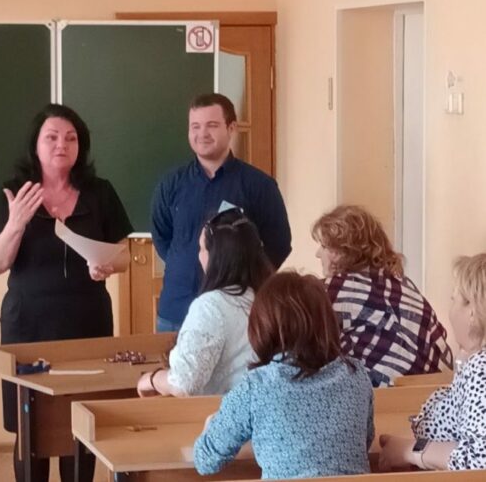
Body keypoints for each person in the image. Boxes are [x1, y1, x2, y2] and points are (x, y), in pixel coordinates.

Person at [0, 103, 133, 482]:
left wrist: (107, 265)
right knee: (31, 427)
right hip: (27, 327)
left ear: (80, 146)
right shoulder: (14, 193)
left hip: (87, 324)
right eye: (51, 137)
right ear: (35, 145)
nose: (61, 145)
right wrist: (15, 223)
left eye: (71, 138)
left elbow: (124, 255)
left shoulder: (99, 192)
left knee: (81, 425)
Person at [193, 271, 374, 480]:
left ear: (263, 327)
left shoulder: (256, 387)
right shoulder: (356, 375)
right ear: (327, 322)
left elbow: (205, 461)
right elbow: (365, 440)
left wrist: (209, 427)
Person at [151, 93, 291, 332]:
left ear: (231, 128)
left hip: (236, 315)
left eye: (212, 125)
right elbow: (162, 238)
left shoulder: (259, 186)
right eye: (195, 126)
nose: (202, 133)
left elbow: (279, 244)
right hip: (177, 312)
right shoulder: (171, 184)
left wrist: (247, 279)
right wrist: (187, 264)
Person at [312, 205, 453, 387]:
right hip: (437, 394)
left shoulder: (330, 291)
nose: (318, 254)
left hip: (381, 398)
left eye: (324, 246)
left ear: (341, 253)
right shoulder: (405, 286)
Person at [137, 207, 273, 397]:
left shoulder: (211, 306)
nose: (199, 255)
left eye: (201, 248)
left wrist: (151, 379)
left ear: (216, 257)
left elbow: (184, 384)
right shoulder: (272, 299)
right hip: (264, 408)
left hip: (223, 411)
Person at [379, 253, 486, 471]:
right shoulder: (473, 363)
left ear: (472, 312)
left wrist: (409, 451)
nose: (450, 309)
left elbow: (479, 459)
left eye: (454, 299)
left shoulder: (481, 369)